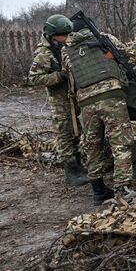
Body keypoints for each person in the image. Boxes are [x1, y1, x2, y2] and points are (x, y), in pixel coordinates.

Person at [62, 19, 134, 205]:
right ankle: (123, 191)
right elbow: (125, 53)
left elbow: (67, 72)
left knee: (92, 146)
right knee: (120, 144)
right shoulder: (105, 38)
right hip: (111, 97)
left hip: (86, 103)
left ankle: (98, 192)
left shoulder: (66, 51)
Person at [28, 14, 88, 186]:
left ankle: (78, 166)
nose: (68, 37)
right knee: (64, 134)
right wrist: (59, 76)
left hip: (72, 98)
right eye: (65, 34)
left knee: (76, 132)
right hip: (59, 101)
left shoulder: (62, 45)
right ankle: (71, 173)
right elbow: (33, 78)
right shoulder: (44, 53)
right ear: (53, 34)